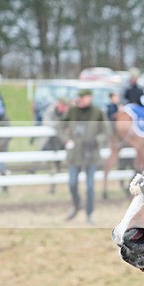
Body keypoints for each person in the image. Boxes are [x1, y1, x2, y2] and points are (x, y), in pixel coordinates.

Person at [59, 89, 109, 224]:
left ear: (89, 98)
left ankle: (89, 213)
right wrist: (66, 140)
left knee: (90, 187)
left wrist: (97, 141)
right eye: (79, 97)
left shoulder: (97, 112)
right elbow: (60, 126)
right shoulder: (72, 111)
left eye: (83, 97)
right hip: (75, 154)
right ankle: (76, 205)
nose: (80, 99)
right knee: (72, 183)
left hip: (91, 154)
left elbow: (106, 131)